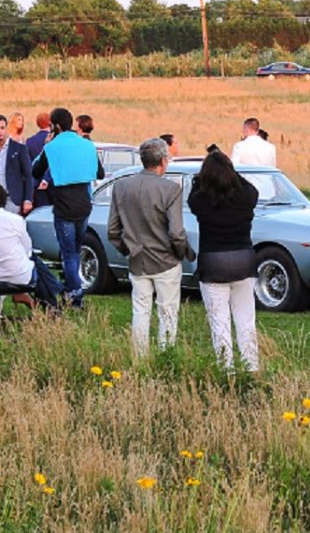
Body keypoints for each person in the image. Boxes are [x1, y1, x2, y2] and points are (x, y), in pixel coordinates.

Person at [108, 138, 193, 357]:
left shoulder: (121, 186)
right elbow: (176, 232)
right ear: (163, 161)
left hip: (137, 259)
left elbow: (113, 231)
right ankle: (166, 357)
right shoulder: (171, 189)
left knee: (140, 310)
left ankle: (140, 358)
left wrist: (128, 250)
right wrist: (180, 251)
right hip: (165, 259)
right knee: (168, 312)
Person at [187, 149, 260, 370]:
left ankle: (226, 368)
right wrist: (232, 172)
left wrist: (200, 180)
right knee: (246, 320)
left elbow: (192, 197)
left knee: (219, 321)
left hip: (213, 263)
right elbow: (251, 189)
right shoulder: (245, 198)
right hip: (243, 261)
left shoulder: (201, 201)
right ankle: (251, 365)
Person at [30, 107, 103, 305]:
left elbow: (35, 171)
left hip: (63, 206)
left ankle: (75, 294)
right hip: (84, 204)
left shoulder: (52, 147)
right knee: (76, 249)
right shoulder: (87, 145)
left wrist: (45, 147)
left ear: (56, 126)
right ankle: (73, 287)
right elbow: (101, 173)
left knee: (69, 252)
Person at [0, 115, 34, 215]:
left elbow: (28, 174)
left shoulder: (19, 148)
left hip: (13, 198)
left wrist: (28, 199)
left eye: (2, 128)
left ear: (7, 129)